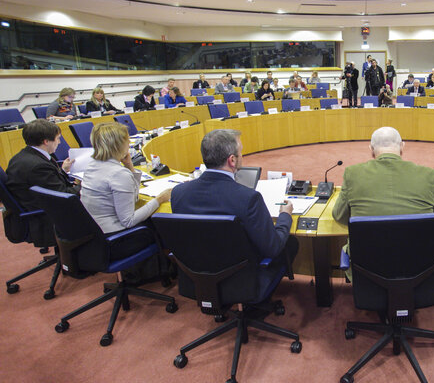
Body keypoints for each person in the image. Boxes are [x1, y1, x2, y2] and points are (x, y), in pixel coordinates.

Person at [171, 129, 297, 300]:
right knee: (291, 243)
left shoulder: (178, 193)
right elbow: (273, 248)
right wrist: (285, 216)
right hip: (242, 282)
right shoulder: (248, 198)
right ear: (232, 160)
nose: (242, 156)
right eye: (241, 153)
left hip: (197, 277)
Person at [332, 127, 434, 284]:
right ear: (402, 146)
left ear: (371, 149)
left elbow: (339, 216)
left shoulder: (352, 174)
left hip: (368, 269)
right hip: (420, 267)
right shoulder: (427, 174)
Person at [80, 123, 171, 260]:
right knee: (163, 227)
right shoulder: (118, 174)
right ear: (118, 145)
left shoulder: (93, 165)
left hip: (94, 235)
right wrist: (159, 199)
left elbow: (132, 198)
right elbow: (128, 221)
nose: (129, 143)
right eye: (127, 140)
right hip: (114, 241)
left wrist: (129, 166)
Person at [5, 120, 80, 243]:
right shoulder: (38, 166)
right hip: (46, 218)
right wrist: (84, 184)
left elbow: (46, 184)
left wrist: (63, 171)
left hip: (35, 205)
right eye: (57, 139)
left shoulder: (24, 155)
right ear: (46, 141)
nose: (59, 142)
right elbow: (64, 196)